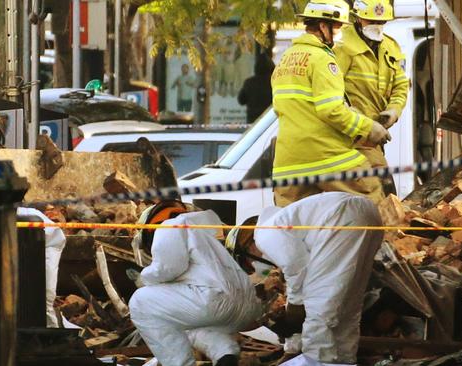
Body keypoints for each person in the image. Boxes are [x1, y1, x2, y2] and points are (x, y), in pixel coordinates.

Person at [226, 192, 384, 365]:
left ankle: (318, 361)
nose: (254, 268)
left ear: (246, 247)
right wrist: (292, 348)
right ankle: (343, 361)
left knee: (320, 308)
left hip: (341, 218)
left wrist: (294, 307)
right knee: (347, 308)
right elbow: (301, 273)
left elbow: (298, 267)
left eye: (249, 265)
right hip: (368, 214)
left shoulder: (264, 235)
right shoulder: (282, 225)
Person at [271, 0, 391, 207]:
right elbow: (330, 110)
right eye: (338, 27)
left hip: (288, 164)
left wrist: (348, 111)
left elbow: (294, 108)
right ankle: (385, 240)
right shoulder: (323, 59)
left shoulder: (285, 59)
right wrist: (369, 127)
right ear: (322, 26)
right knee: (372, 199)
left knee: (296, 226)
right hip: (326, 156)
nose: (341, 33)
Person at [128, 200, 262, 366]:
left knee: (140, 303)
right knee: (179, 320)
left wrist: (144, 278)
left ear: (151, 228)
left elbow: (168, 267)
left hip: (215, 300)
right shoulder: (203, 236)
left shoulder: (170, 226)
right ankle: (225, 354)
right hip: (245, 309)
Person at [334, 0, 409, 197]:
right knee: (379, 193)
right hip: (350, 138)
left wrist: (394, 110)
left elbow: (401, 85)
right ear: (358, 18)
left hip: (375, 139)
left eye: (382, 22)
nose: (377, 27)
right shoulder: (341, 46)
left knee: (383, 192)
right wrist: (361, 122)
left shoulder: (391, 47)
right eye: (370, 21)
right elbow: (333, 94)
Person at [16, 207, 66, 328]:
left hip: (47, 246)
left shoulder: (29, 216)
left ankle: (49, 333)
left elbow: (56, 241)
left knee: (44, 297)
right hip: (23, 249)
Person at [238, 54, 275, 123]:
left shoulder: (249, 83)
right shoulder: (274, 83)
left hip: (253, 122)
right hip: (269, 121)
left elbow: (241, 100)